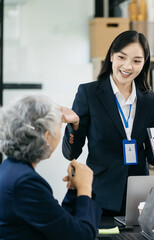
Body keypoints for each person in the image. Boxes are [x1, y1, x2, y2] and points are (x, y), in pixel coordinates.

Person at [61, 30, 154, 216]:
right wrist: (75, 125)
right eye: (122, 57)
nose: (128, 66)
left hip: (138, 197)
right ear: (112, 56)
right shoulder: (89, 93)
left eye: (137, 61)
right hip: (100, 195)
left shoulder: (150, 100)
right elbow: (70, 153)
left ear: (144, 63)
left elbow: (153, 156)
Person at [0, 95, 101, 240]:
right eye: (59, 127)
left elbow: (59, 225)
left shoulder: (10, 170)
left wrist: (75, 189)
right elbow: (81, 236)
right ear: (47, 136)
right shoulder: (25, 183)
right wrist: (85, 189)